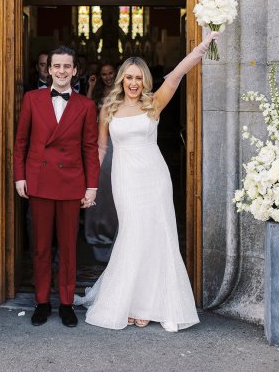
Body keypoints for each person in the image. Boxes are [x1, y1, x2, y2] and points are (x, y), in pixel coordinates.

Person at [75, 32, 219, 331]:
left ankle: (149, 304)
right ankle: (129, 301)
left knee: (158, 235)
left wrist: (202, 46)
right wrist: (91, 186)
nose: (133, 83)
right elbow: (101, 150)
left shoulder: (154, 103)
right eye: (128, 77)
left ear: (145, 81)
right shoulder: (108, 108)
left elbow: (178, 75)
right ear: (121, 80)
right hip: (124, 177)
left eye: (138, 78)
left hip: (154, 177)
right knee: (133, 233)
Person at [14, 46, 100, 328]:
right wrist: (20, 177)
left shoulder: (86, 106)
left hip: (70, 184)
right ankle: (41, 302)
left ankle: (65, 303)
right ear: (48, 69)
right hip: (38, 181)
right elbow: (21, 142)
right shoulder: (31, 98)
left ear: (75, 70)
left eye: (67, 66)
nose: (62, 71)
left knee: (67, 248)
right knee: (40, 247)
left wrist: (92, 187)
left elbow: (90, 148)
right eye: (57, 66)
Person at [85, 63, 118, 262]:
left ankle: (115, 233)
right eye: (103, 74)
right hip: (97, 142)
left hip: (116, 142)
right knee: (98, 186)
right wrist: (90, 86)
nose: (107, 77)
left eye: (110, 73)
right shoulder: (97, 93)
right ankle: (96, 234)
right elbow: (86, 109)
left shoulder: (122, 92)